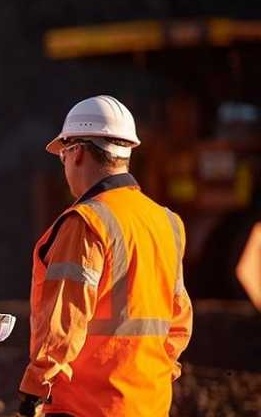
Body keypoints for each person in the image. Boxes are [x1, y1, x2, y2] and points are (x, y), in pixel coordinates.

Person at [17, 96, 193, 416]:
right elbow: (178, 320)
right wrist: (154, 377)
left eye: (63, 155)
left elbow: (64, 322)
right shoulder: (167, 222)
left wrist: (36, 387)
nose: (64, 165)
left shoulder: (86, 223)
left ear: (77, 152)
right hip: (150, 404)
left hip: (87, 406)